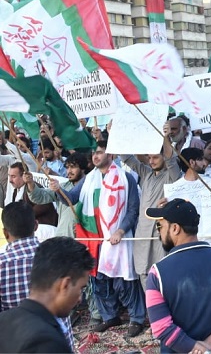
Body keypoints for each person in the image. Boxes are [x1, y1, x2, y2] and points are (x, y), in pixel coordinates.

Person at [57, 139, 146, 337]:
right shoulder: (89, 179)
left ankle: (136, 318)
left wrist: (120, 231)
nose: (95, 156)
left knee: (125, 280)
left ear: (111, 154)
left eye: (99, 152)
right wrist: (58, 189)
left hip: (118, 237)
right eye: (94, 154)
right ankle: (110, 316)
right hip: (94, 238)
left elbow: (132, 210)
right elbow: (71, 199)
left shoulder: (126, 178)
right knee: (99, 281)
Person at [145, 198, 211, 353]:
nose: (158, 231)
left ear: (175, 228)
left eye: (160, 225)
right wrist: (208, 346)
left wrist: (195, 348)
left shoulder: (157, 273)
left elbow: (161, 327)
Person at [0, 236, 94, 353]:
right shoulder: (46, 342)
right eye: (81, 288)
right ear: (65, 285)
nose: (80, 298)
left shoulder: (4, 320)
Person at [121, 134, 180, 288]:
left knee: (162, 274)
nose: (151, 161)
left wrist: (165, 137)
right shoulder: (146, 173)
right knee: (143, 273)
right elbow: (127, 159)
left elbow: (170, 160)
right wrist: (117, 133)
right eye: (149, 158)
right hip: (142, 233)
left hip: (160, 234)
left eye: (155, 157)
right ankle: (151, 309)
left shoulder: (172, 175)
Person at [27, 153, 89, 237]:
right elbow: (40, 197)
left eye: (73, 167)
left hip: (85, 237)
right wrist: (30, 183)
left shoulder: (91, 187)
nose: (69, 171)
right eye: (67, 167)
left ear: (83, 168)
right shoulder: (62, 186)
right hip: (63, 236)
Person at [0, 201, 39, 312]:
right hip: (56, 329)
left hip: (14, 328)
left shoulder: (2, 264)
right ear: (36, 225)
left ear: (5, 233)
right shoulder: (57, 256)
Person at [6, 162, 57, 240]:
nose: (10, 180)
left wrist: (21, 216)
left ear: (24, 176)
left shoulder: (35, 188)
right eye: (9, 176)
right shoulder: (16, 190)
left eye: (13, 176)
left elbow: (44, 205)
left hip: (43, 232)